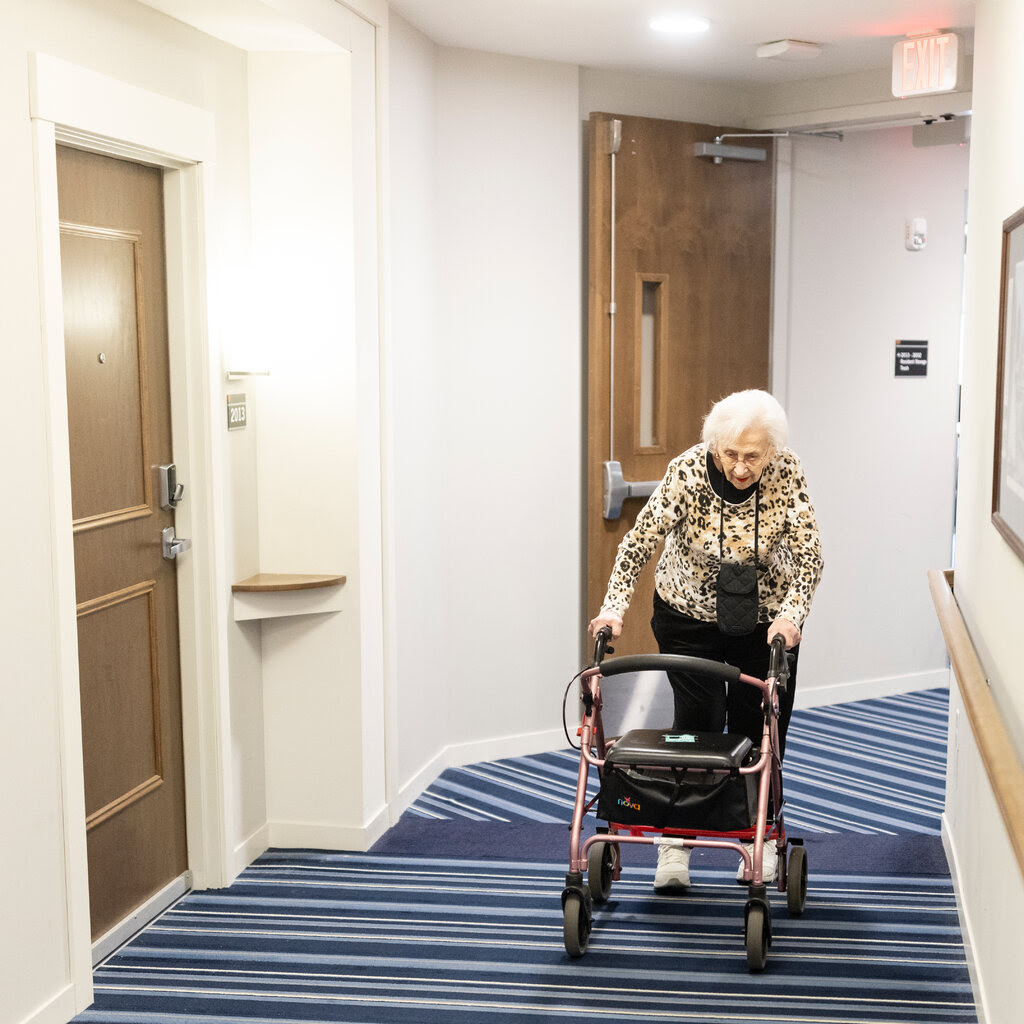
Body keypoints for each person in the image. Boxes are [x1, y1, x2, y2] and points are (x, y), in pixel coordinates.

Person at [589, 389, 823, 889]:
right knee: (696, 727)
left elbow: (809, 555)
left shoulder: (787, 472)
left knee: (758, 732)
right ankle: (675, 846)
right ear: (715, 447)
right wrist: (614, 607)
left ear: (772, 451)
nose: (741, 467)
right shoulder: (688, 471)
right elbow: (640, 541)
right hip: (687, 614)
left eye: (753, 456)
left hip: (764, 623)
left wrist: (792, 614)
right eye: (732, 454)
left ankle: (753, 842)